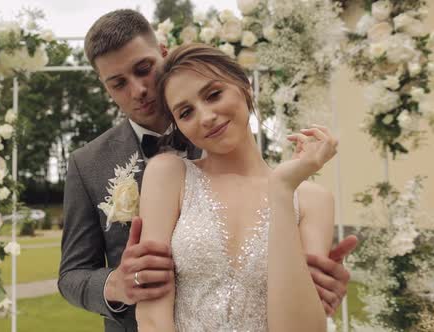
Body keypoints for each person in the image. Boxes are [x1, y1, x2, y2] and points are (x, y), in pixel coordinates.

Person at [58, 9, 357, 332]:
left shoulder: (235, 141)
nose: (139, 90)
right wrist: (116, 285)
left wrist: (316, 285)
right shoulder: (88, 164)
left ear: (163, 54)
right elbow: (72, 275)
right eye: (118, 84)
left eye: (144, 69)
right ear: (107, 89)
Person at [136, 43, 339, 331]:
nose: (205, 117)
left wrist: (281, 190)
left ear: (245, 86)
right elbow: (152, 316)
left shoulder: (312, 201)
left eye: (214, 94)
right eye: (186, 113)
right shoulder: (168, 176)